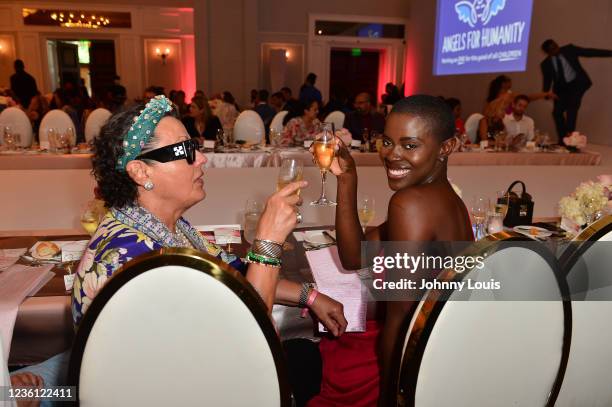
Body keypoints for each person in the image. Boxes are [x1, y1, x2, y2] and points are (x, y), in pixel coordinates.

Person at [15, 96, 347, 403]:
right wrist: (269, 242)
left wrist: (309, 296)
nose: (201, 158)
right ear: (141, 171)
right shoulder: (137, 261)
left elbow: (235, 271)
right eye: (185, 150)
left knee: (307, 357)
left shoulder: (161, 227)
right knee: (309, 366)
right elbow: (247, 344)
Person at [318, 94, 473, 406]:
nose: (392, 155)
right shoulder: (442, 198)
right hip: (447, 356)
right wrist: (348, 178)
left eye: (410, 145)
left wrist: (390, 399)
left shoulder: (410, 205)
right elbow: (355, 257)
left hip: (420, 367)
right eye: (387, 142)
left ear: (446, 147)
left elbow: (398, 320)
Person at [540, 39, 612, 142]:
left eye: (556, 46)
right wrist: (546, 94)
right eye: (552, 49)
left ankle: (570, 140)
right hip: (561, 90)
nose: (556, 49)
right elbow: (547, 80)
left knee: (572, 108)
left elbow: (589, 52)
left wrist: (610, 53)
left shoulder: (569, 49)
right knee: (556, 113)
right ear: (547, 52)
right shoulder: (545, 64)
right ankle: (563, 139)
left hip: (577, 85)